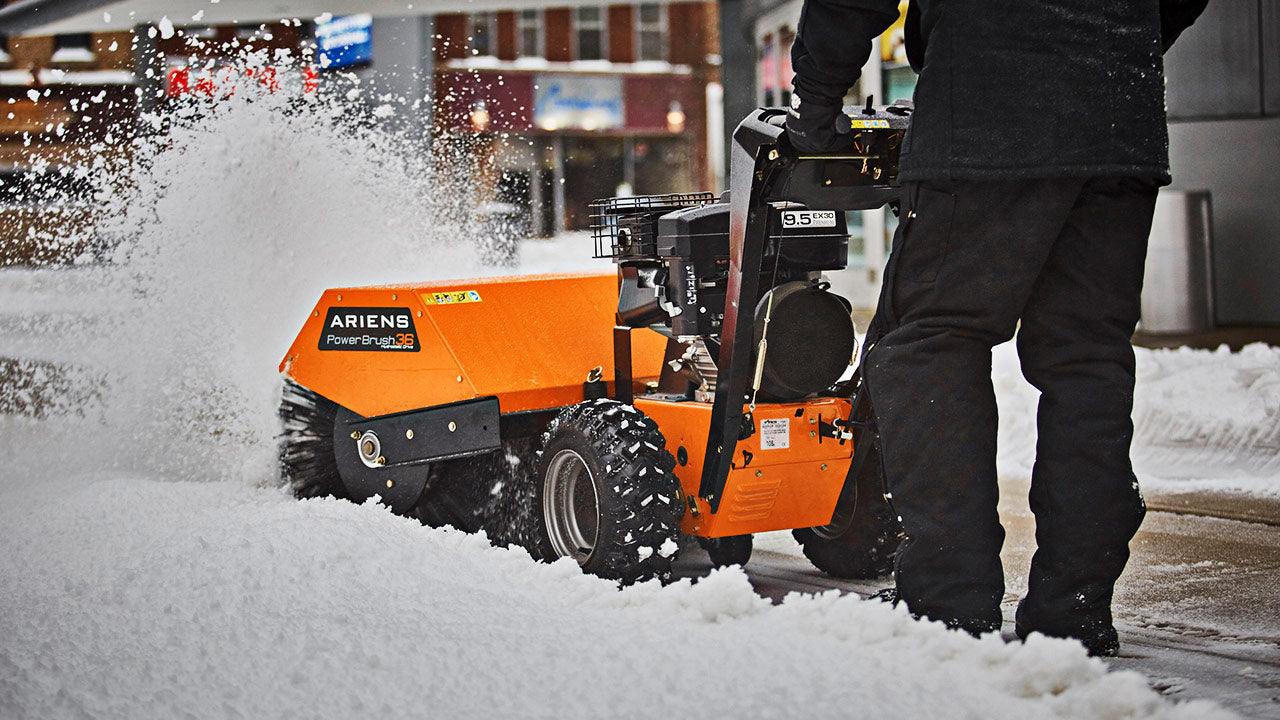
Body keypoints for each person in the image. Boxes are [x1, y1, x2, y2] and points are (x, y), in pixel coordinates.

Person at [786, 0, 1209, 655]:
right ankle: (1075, 611)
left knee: (931, 342)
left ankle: (948, 603)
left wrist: (815, 104)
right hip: (1118, 123)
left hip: (985, 112)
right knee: (1087, 358)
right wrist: (1121, 37)